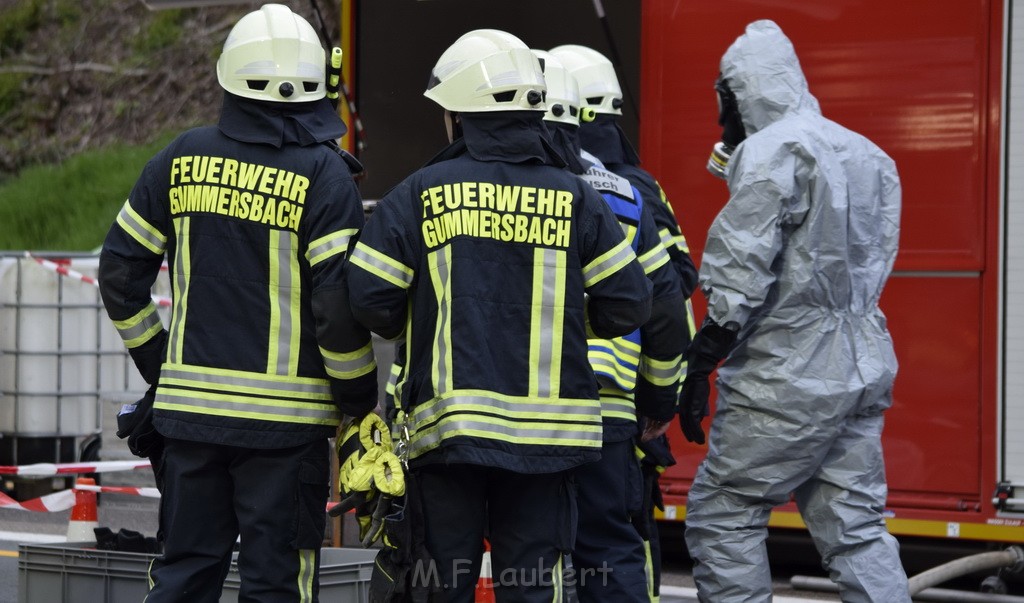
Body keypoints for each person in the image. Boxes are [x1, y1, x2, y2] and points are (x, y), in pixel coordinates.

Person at [347, 29, 652, 603]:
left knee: (439, 585)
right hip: (549, 446)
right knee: (531, 589)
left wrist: (422, 316)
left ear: (459, 117)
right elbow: (630, 303)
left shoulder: (417, 194)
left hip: (448, 440)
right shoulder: (578, 197)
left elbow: (368, 301)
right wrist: (565, 321)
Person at [97, 4, 378, 601]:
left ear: (228, 76)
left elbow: (121, 275)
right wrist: (358, 401)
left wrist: (163, 366)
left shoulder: (181, 157)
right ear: (317, 82)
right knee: (276, 587)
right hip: (287, 433)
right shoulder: (325, 178)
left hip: (190, 424)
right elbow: (335, 308)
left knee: (182, 577)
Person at [678, 20, 910, 602]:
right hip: (861, 360)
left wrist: (705, 354)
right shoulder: (869, 153)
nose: (720, 120)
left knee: (724, 514)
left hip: (786, 371)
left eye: (723, 102)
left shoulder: (770, 150)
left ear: (743, 91)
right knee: (855, 530)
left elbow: (743, 262)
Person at [534, 49, 686, 602]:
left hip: (528, 407)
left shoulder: (491, 188)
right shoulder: (626, 194)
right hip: (613, 412)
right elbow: (668, 302)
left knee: (529, 549)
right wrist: (660, 397)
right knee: (611, 549)